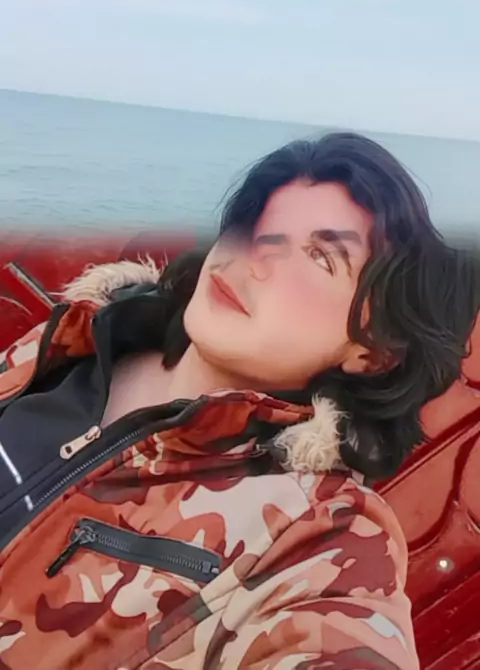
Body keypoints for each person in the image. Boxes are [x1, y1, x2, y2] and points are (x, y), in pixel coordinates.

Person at [0, 132, 477, 670]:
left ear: (373, 353)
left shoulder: (318, 539)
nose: (256, 253)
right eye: (262, 222)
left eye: (321, 256)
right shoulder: (82, 334)